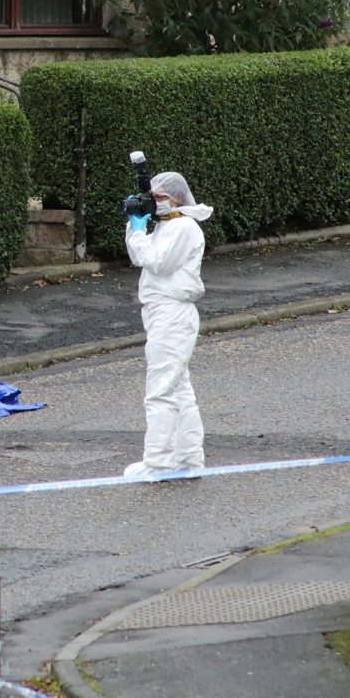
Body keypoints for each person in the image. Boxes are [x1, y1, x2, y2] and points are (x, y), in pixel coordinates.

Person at [122, 171, 214, 478]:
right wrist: (135, 226)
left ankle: (159, 463)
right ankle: (188, 459)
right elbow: (140, 257)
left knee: (160, 390)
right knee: (178, 388)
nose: (155, 203)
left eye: (160, 197)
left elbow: (159, 263)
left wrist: (138, 232)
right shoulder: (168, 225)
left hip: (172, 313)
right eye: (154, 197)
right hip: (163, 311)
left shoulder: (184, 227)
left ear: (176, 198)